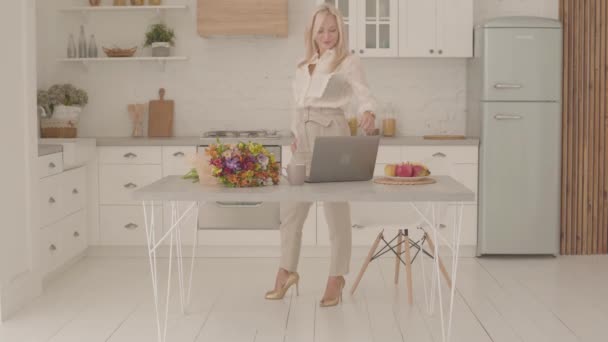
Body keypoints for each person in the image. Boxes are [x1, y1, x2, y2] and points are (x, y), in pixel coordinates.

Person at [265, 4, 377, 307]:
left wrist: (368, 113)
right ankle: (286, 271)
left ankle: (336, 277)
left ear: (339, 31)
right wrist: (293, 132)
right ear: (312, 34)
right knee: (291, 211)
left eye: (332, 29)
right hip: (302, 138)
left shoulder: (348, 62)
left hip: (332, 134)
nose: (327, 35)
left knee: (335, 212)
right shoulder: (303, 65)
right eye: (321, 30)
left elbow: (364, 96)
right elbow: (295, 104)